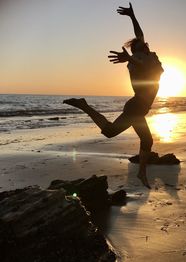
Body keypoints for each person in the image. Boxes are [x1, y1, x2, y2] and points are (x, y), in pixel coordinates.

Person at [63, 3, 163, 189]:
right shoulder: (139, 60)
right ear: (137, 51)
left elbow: (140, 35)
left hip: (139, 107)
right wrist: (130, 58)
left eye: (144, 43)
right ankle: (85, 106)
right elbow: (141, 67)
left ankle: (142, 172)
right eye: (141, 45)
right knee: (121, 134)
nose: (144, 43)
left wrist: (132, 16)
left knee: (136, 138)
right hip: (135, 107)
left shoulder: (147, 55)